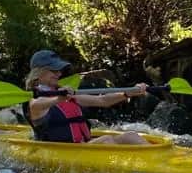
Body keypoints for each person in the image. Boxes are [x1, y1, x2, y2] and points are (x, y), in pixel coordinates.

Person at [22, 50, 150, 144]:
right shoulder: (35, 100)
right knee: (106, 140)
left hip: (84, 146)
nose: (59, 73)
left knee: (131, 135)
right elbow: (36, 105)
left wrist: (127, 93)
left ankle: (161, 167)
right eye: (53, 70)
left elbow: (102, 100)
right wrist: (58, 99)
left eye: (59, 70)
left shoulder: (65, 93)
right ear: (39, 73)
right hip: (63, 152)